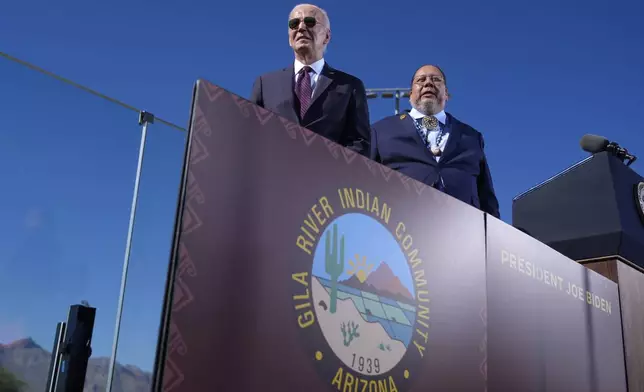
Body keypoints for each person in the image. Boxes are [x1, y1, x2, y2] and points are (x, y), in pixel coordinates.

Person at [370, 64, 500, 218]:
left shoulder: (471, 137)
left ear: (447, 95)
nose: (428, 83)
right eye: (420, 80)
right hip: (401, 227)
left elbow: (486, 197)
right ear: (410, 94)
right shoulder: (381, 130)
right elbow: (364, 183)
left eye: (436, 80)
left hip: (463, 230)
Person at [249, 4, 371, 156]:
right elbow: (251, 136)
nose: (300, 27)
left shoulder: (350, 86)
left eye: (309, 22)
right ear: (289, 37)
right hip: (275, 175)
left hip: (328, 176)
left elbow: (359, 143)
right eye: (294, 24)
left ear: (327, 36)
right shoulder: (265, 84)